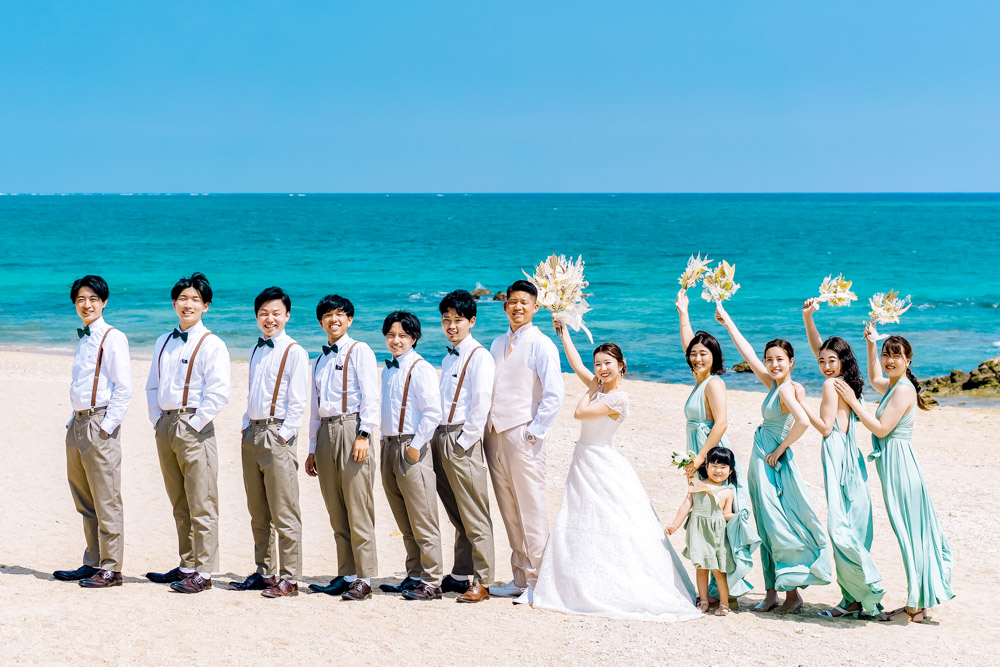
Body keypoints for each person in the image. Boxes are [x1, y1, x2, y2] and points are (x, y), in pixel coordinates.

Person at [532, 320, 700, 621]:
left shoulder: (618, 398)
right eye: (597, 364)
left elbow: (579, 412)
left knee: (611, 519)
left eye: (607, 363)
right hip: (583, 459)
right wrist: (564, 333)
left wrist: (590, 389)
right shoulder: (598, 386)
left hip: (600, 459)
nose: (601, 369)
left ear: (621, 365)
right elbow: (575, 363)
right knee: (581, 516)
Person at [715, 301, 831, 614]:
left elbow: (803, 422)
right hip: (761, 461)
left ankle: (792, 594)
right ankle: (771, 593)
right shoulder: (775, 385)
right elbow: (748, 355)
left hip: (771, 462)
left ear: (791, 361)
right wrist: (728, 323)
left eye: (780, 359)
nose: (773, 364)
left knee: (777, 523)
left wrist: (779, 450)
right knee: (766, 524)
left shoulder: (786, 390)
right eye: (770, 359)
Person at [833, 329, 954, 623]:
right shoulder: (894, 384)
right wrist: (870, 344)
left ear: (908, 360)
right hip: (894, 465)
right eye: (886, 354)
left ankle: (916, 607)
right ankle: (919, 604)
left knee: (910, 533)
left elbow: (881, 428)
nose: (889, 360)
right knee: (910, 534)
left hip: (901, 467)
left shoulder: (903, 390)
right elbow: (875, 377)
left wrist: (852, 400)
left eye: (895, 355)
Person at [145, 272, 231, 594]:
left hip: (194, 426)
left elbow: (219, 392)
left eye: (195, 299)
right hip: (165, 425)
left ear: (206, 306)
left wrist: (194, 424)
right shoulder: (162, 341)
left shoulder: (213, 344)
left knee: (202, 501)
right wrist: (157, 420)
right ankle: (186, 565)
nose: (188, 304)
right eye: (183, 298)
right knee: (179, 501)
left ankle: (204, 573)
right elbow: (152, 386)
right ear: (174, 303)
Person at [800, 299, 885, 617]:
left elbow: (825, 428)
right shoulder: (848, 383)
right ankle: (858, 595)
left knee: (840, 526)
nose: (825, 365)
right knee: (855, 524)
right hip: (852, 457)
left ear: (842, 361)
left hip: (836, 454)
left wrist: (800, 402)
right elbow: (820, 348)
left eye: (831, 360)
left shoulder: (830, 385)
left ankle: (853, 598)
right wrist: (809, 319)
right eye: (822, 361)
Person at [675, 289, 758, 605]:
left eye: (703, 354)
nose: (697, 358)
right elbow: (690, 344)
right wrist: (683, 312)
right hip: (700, 455)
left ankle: (727, 592)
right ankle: (712, 592)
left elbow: (721, 423)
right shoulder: (700, 380)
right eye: (694, 354)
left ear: (715, 357)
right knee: (705, 517)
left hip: (713, 456)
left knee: (721, 521)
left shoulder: (714, 383)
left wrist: (699, 458)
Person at [486, 280, 564, 605]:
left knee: (531, 509)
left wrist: (534, 431)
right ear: (505, 306)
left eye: (524, 302)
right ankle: (519, 578)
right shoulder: (495, 344)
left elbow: (554, 394)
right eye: (512, 302)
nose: (517, 307)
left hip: (523, 434)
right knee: (508, 508)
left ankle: (538, 582)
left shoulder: (541, 344)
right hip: (494, 435)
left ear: (535, 307)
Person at [53, 275, 132, 589]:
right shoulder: (84, 338)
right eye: (81, 300)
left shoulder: (113, 337)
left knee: (106, 498)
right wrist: (72, 421)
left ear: (104, 302)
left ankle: (112, 568)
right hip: (77, 423)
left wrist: (107, 427)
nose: (86, 305)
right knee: (84, 498)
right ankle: (93, 561)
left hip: (99, 424)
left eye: (93, 299)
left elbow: (123, 389)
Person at [230, 287, 309, 598]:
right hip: (252, 432)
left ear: (287, 315)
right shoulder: (255, 349)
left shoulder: (295, 351)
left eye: (276, 313)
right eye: (263, 313)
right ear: (256, 316)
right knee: (258, 510)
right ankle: (265, 572)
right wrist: (245, 425)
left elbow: (298, 401)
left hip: (277, 433)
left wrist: (284, 435)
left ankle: (290, 577)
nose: (270, 318)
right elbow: (254, 391)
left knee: (284, 509)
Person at [306, 294, 380, 601]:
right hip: (326, 431)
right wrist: (312, 447)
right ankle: (346, 573)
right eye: (327, 315)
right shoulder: (319, 360)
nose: (333, 319)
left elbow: (371, 395)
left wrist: (364, 433)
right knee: (336, 507)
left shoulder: (360, 350)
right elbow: (315, 408)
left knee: (357, 505)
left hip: (352, 428)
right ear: (320, 322)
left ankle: (364, 578)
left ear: (349, 319)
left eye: (339, 314)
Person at [433, 290, 496, 603]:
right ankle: (460, 574)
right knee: (456, 510)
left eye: (458, 319)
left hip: (461, 439)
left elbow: (481, 403)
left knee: (474, 511)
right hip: (440, 435)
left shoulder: (480, 356)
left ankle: (483, 580)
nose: (451, 325)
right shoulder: (449, 357)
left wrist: (464, 441)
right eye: (446, 319)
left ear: (472, 321)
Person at [379, 311, 445, 601]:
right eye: (391, 335)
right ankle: (415, 574)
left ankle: (432, 581)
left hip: (411, 447)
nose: (396, 340)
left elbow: (433, 413)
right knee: (404, 518)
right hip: (388, 445)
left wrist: (415, 447)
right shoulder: (388, 370)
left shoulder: (421, 368)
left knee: (423, 517)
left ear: (414, 338)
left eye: (402, 336)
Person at [666, 447, 740, 616]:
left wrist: (738, 518)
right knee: (701, 569)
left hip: (716, 535)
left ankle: (724, 604)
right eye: (714, 466)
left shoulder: (727, 492)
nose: (718, 470)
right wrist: (675, 525)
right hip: (698, 532)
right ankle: (704, 601)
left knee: (718, 571)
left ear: (730, 471)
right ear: (706, 467)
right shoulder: (697, 484)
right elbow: (687, 504)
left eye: (723, 467)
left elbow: (726, 513)